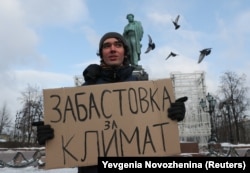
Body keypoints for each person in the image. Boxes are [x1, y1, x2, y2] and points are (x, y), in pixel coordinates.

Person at [33, 32, 188, 173]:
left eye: (118, 45)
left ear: (125, 52)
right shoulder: (85, 91)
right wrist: (49, 136)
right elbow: (72, 134)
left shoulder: (144, 88)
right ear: (101, 53)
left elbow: (156, 128)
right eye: (107, 46)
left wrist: (173, 114)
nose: (112, 49)